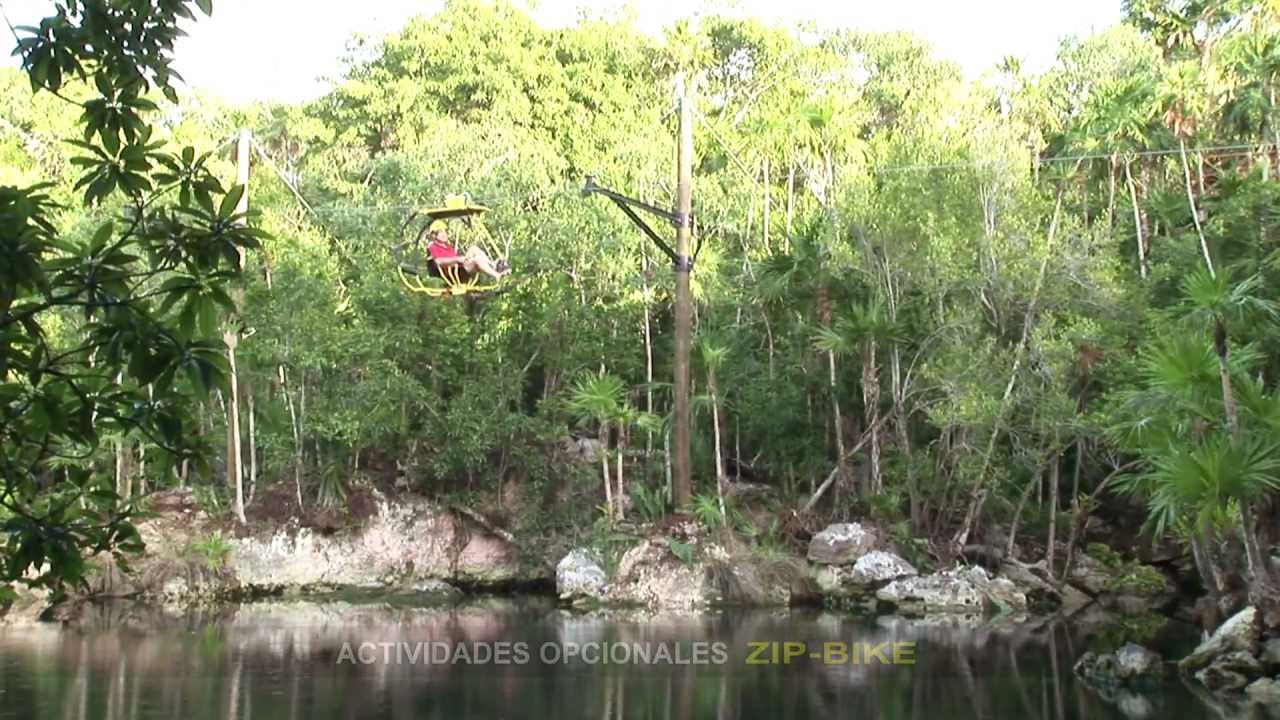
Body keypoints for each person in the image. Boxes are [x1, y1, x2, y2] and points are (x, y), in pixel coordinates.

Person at [424, 220, 509, 281]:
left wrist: (462, 259)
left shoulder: (447, 246)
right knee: (477, 259)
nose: (444, 235)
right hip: (452, 273)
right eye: (441, 233)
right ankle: (497, 275)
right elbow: (438, 261)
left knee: (473, 249)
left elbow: (456, 258)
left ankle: (493, 265)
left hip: (458, 268)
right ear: (434, 235)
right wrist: (457, 259)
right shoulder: (432, 246)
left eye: (445, 232)